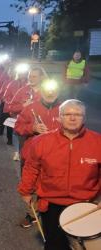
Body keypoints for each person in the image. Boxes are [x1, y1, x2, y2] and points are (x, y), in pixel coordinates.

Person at [18, 99, 101, 250]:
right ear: (60, 117)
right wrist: (25, 191)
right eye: (67, 114)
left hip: (85, 203)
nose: (72, 118)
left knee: (84, 245)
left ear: (84, 117)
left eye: (78, 114)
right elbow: (31, 168)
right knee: (55, 245)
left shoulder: (98, 142)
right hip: (51, 203)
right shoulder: (42, 141)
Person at [14, 79, 61, 228]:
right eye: (47, 90)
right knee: (31, 185)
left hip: (55, 156)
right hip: (33, 156)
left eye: (53, 90)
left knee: (52, 186)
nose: (50, 93)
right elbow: (17, 127)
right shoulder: (30, 108)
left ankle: (52, 213)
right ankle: (32, 214)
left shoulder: (64, 108)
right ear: (41, 91)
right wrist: (32, 127)